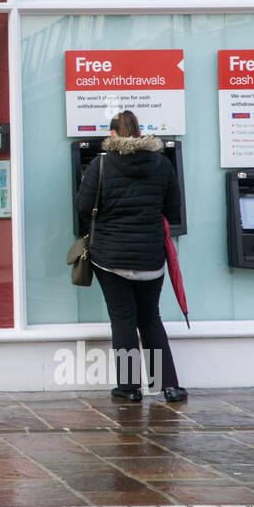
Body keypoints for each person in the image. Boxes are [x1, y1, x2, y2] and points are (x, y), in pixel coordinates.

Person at [74, 110, 188, 403]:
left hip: (110, 257)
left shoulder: (99, 165)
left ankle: (129, 388)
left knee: (123, 318)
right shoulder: (162, 164)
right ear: (140, 133)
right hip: (151, 257)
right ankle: (169, 386)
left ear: (112, 135)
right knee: (150, 317)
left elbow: (84, 207)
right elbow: (173, 209)